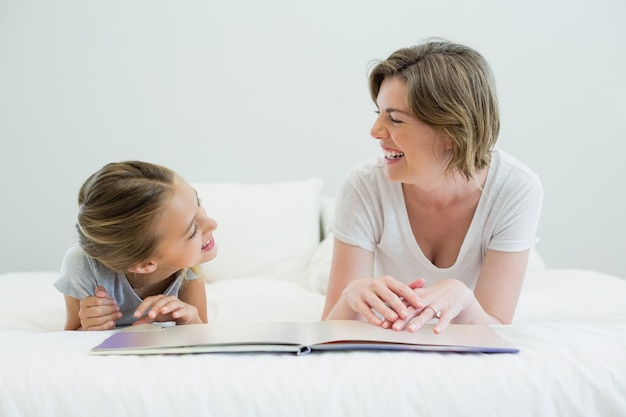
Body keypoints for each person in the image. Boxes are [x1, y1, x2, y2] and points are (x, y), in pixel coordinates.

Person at [322, 38, 543, 334]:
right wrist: (351, 295)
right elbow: (329, 327)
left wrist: (465, 298)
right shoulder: (363, 187)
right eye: (379, 114)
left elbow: (497, 324)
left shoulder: (515, 188)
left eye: (395, 119)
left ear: (452, 130)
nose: (374, 132)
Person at [54, 161, 218, 331]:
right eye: (192, 231)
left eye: (198, 202)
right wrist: (89, 325)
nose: (213, 224)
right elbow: (72, 332)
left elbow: (202, 330)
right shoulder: (82, 265)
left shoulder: (189, 261)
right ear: (144, 265)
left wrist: (190, 319)